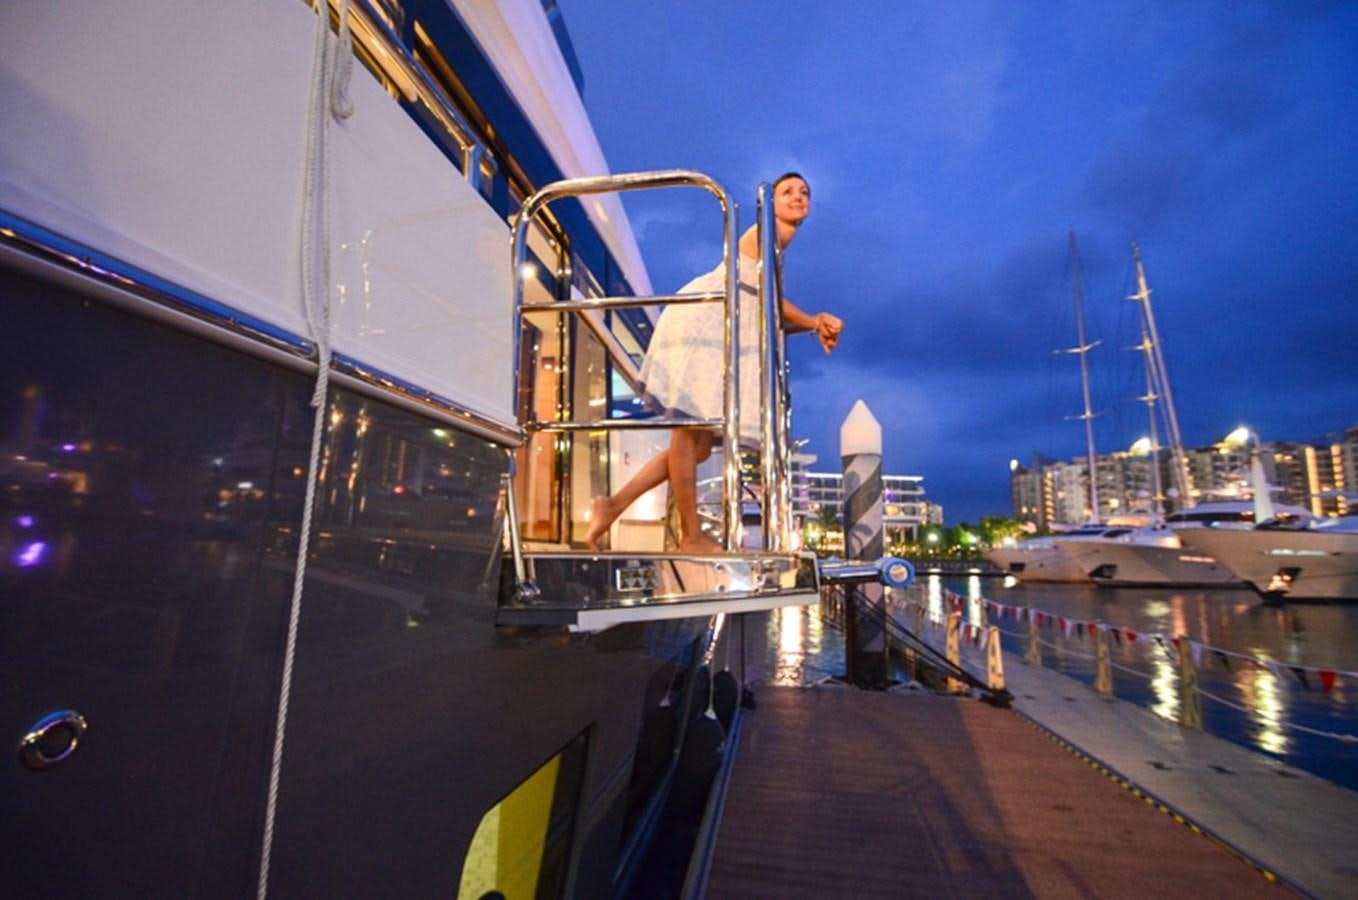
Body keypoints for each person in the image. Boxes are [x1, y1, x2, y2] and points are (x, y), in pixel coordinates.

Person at [585, 173, 842, 552]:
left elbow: (763, 315)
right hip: (703, 325)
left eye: (805, 192)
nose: (799, 197)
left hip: (715, 324)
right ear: (769, 203)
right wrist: (814, 319)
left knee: (698, 447)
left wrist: (810, 325)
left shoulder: (779, 244)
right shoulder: (767, 232)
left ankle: (614, 504)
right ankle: (690, 536)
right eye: (788, 191)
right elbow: (767, 301)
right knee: (689, 436)